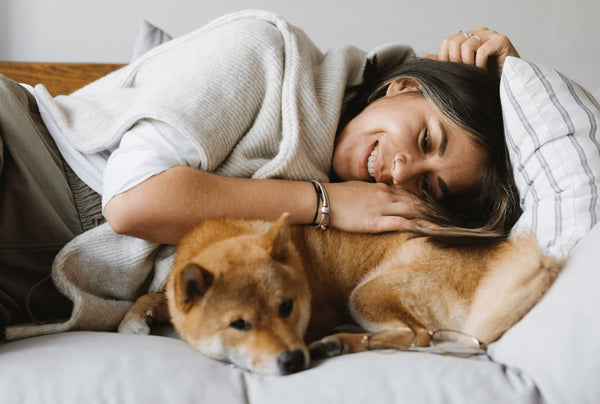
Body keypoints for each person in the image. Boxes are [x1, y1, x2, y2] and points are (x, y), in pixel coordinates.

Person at [0, 11, 520, 335]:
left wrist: (521, 86)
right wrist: (325, 203)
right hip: (23, 158)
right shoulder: (263, 51)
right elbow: (134, 200)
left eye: (428, 186)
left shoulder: (355, 227)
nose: (403, 172)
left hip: (31, 278)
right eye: (426, 139)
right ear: (401, 87)